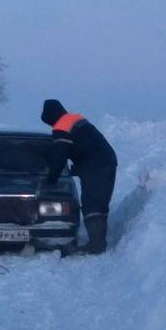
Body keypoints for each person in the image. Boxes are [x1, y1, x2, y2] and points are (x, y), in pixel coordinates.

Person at [40, 99, 118, 254]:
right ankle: (98, 242)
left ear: (50, 116)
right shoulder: (73, 120)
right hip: (106, 160)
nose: (51, 127)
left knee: (92, 203)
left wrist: (51, 179)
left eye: (49, 122)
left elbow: (59, 157)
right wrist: (79, 167)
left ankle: (96, 245)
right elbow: (85, 146)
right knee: (99, 201)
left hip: (96, 165)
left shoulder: (61, 127)